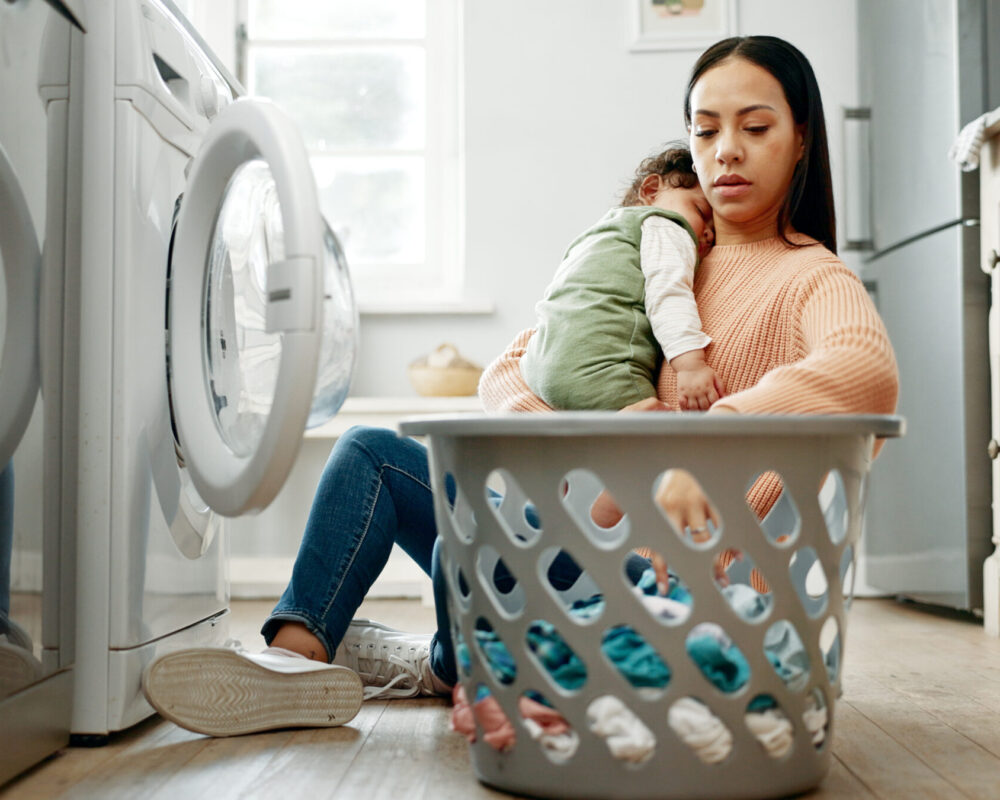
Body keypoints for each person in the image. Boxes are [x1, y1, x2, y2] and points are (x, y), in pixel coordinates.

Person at [142, 34, 898, 738]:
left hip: (678, 589)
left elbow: (865, 367)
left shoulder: (807, 274)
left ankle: (449, 664)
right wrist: (604, 445)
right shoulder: (653, 241)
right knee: (372, 454)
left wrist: (695, 448)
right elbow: (515, 366)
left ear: (801, 139)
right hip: (574, 551)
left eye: (756, 128)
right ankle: (295, 664)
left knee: (465, 550)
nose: (725, 151)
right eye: (705, 130)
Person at [521, 144, 722, 412]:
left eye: (715, 230)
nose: (708, 233)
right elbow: (669, 294)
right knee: (662, 439)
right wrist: (690, 366)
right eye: (701, 212)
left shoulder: (598, 234)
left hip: (535, 369)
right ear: (651, 191)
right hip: (604, 373)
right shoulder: (666, 224)